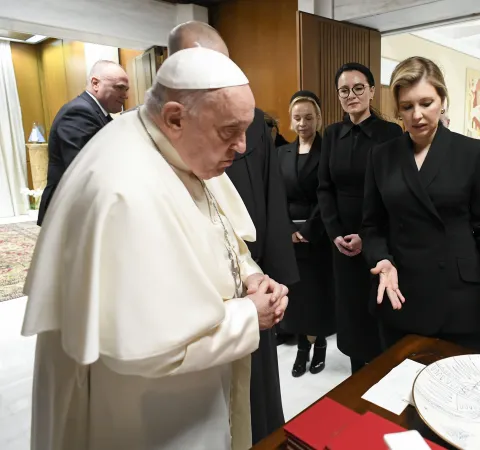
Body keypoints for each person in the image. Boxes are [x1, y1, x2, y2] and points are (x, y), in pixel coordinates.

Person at [22, 47, 289, 450]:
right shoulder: (123, 187)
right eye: (229, 132)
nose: (240, 147)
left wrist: (249, 274)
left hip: (196, 395)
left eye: (245, 131)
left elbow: (219, 226)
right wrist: (250, 315)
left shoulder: (177, 145)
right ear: (176, 117)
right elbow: (150, 350)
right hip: (150, 416)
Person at [361, 56, 480, 352]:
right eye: (407, 106)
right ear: (398, 109)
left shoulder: (471, 152)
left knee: (461, 391)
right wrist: (381, 259)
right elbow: (372, 225)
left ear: (443, 100)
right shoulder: (381, 156)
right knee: (401, 389)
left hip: (460, 297)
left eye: (426, 103)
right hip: (401, 290)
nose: (417, 115)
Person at [167, 21, 299, 444]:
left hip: (249, 274)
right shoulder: (153, 144)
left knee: (255, 398)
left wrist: (271, 274)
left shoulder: (252, 123)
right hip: (197, 306)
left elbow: (267, 198)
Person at [317, 62, 402, 374]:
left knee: (377, 306)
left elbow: (394, 190)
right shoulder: (331, 134)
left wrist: (367, 237)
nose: (350, 95)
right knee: (350, 308)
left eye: (357, 88)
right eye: (343, 90)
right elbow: (324, 187)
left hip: (379, 235)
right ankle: (356, 372)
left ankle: (382, 373)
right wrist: (335, 232)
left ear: (371, 91)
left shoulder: (389, 133)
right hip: (341, 239)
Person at [277, 90, 335, 377]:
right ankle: (302, 347)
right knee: (298, 296)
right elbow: (276, 197)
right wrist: (288, 229)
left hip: (319, 233)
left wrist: (309, 229)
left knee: (317, 295)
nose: (303, 124)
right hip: (290, 237)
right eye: (297, 118)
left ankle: (320, 344)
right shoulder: (281, 153)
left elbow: (327, 196)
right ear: (290, 121)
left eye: (308, 118)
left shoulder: (328, 151)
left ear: (319, 119)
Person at [38, 60, 129, 225]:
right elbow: (84, 168)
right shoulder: (79, 112)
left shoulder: (98, 114)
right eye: (120, 87)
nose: (125, 95)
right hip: (70, 210)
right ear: (95, 83)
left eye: (126, 89)